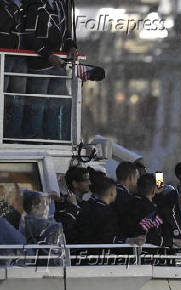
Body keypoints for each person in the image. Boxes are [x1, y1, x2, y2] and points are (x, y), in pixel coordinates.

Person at [22, 0, 78, 140]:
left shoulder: (61, 5)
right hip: (40, 64)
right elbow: (29, 36)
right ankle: (34, 139)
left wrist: (71, 46)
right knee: (37, 105)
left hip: (58, 64)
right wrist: (47, 55)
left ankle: (51, 138)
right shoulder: (34, 4)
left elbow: (66, 33)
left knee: (54, 105)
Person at [0, 0, 27, 138]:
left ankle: (14, 136)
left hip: (20, 58)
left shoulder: (24, 6)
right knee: (1, 97)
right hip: (4, 57)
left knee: (19, 98)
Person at [122, 173, 169, 247]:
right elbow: (153, 234)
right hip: (147, 250)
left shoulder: (129, 203)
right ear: (154, 190)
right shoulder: (152, 208)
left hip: (128, 248)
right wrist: (159, 176)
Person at [75, 177, 119, 244]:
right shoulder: (108, 213)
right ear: (112, 192)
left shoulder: (86, 208)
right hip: (101, 251)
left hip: (83, 249)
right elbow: (108, 237)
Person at [54, 166, 90, 243]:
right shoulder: (63, 205)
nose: (89, 183)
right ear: (75, 184)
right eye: (85, 181)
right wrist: (74, 207)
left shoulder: (86, 204)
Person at [113, 162, 139, 232]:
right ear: (130, 177)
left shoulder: (108, 194)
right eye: (136, 177)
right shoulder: (128, 200)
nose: (137, 182)